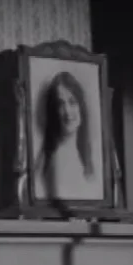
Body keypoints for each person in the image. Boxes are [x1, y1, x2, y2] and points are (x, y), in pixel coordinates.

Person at [33, 71, 102, 201]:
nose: (67, 111)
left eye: (72, 102)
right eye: (60, 104)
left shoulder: (85, 155)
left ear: (81, 106)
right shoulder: (57, 158)